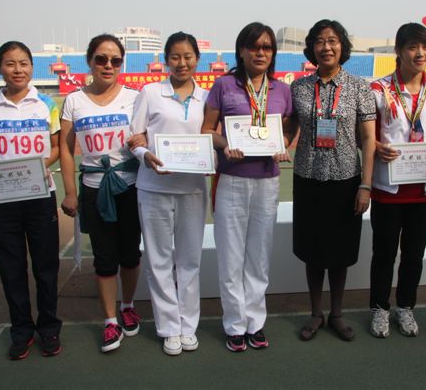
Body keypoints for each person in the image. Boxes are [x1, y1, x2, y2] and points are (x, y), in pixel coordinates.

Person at [201, 22, 294, 352]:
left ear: (273, 53)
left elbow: (288, 129)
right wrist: (225, 144)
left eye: (267, 47)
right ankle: (234, 324)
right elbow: (207, 129)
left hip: (267, 181)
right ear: (241, 50)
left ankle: (255, 322)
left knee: (259, 256)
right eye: (254, 46)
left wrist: (284, 143)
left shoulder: (281, 90)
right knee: (231, 257)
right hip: (232, 179)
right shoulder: (224, 85)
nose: (260, 53)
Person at [0, 41, 62, 360]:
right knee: (11, 268)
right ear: (0, 68)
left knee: (45, 265)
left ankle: (49, 326)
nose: (18, 69)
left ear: (31, 67)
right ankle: (21, 329)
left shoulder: (46, 104)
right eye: (10, 63)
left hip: (40, 195)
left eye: (23, 63)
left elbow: (55, 147)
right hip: (3, 200)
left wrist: (41, 167)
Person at [291, 19, 376, 342]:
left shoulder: (359, 87)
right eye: (319, 41)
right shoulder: (298, 88)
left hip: (345, 179)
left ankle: (337, 314)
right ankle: (316, 313)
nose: (326, 47)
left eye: (333, 40)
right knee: (313, 251)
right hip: (308, 178)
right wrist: (269, 144)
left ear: (342, 46)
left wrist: (365, 185)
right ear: (311, 48)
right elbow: (286, 129)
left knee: (340, 252)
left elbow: (368, 139)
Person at [368, 23, 426, 338]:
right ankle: (379, 308)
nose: (420, 53)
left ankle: (405, 307)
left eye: (425, 47)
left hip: (425, 190)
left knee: (414, 255)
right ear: (398, 51)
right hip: (388, 189)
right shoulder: (378, 89)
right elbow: (364, 133)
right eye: (412, 47)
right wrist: (376, 146)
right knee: (384, 254)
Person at [59, 34, 142, 353]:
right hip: (94, 190)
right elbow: (66, 150)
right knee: (104, 259)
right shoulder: (74, 101)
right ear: (90, 61)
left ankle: (128, 305)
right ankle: (109, 321)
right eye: (101, 59)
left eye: (115, 60)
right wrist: (70, 192)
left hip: (131, 187)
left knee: (130, 255)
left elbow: (147, 136)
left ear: (122, 63)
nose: (109, 65)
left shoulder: (136, 98)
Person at [129, 32, 209, 356]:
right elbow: (134, 137)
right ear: (166, 60)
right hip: (153, 188)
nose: (182, 63)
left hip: (192, 189)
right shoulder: (150, 93)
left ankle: (188, 326)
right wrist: (144, 155)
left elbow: (211, 137)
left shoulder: (206, 97)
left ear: (197, 59)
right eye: (175, 57)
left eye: (188, 56)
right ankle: (169, 328)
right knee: (159, 260)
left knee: (190, 260)